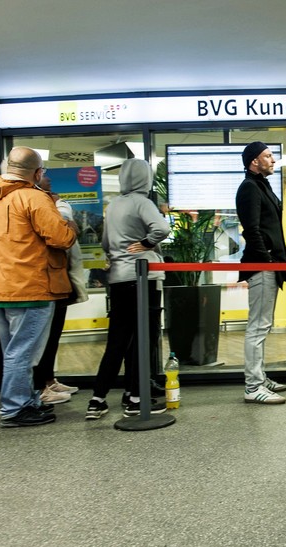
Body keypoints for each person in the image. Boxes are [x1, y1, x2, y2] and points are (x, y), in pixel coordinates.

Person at [0, 147, 77, 428]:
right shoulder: (34, 197)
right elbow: (61, 238)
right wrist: (67, 218)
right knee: (22, 352)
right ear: (37, 173)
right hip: (30, 286)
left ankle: (25, 399)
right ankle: (14, 409)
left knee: (13, 350)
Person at [86, 158, 170, 420]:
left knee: (118, 341)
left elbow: (104, 242)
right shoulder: (142, 202)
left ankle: (97, 399)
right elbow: (162, 228)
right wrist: (146, 243)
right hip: (144, 277)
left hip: (119, 279)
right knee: (145, 339)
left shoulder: (113, 206)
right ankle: (136, 399)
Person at [235, 141, 286, 405]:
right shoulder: (249, 187)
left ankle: (259, 375)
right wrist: (267, 258)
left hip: (271, 264)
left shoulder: (262, 185)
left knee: (263, 325)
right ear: (254, 161)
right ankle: (253, 386)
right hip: (262, 265)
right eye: (267, 155)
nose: (273, 159)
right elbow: (252, 229)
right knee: (257, 327)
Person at [31, 174, 88, 403]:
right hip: (43, 280)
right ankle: (40, 387)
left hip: (59, 278)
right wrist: (65, 220)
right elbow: (63, 233)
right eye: (43, 175)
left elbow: (69, 229)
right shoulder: (36, 203)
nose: (49, 179)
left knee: (53, 334)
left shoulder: (52, 202)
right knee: (42, 338)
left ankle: (49, 380)